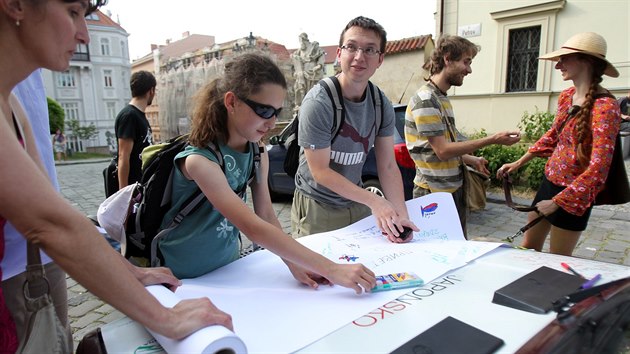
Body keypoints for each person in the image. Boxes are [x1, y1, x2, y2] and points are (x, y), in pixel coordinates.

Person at [0, 1, 232, 351]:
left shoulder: (12, 105)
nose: (83, 35)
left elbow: (54, 209)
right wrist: (166, 318)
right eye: (74, 12)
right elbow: (48, 223)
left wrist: (132, 272)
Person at [158, 53, 376, 294]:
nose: (272, 122)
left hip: (229, 270)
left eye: (277, 112)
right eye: (264, 110)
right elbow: (253, 228)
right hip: (182, 281)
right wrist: (331, 269)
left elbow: (266, 217)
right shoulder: (200, 161)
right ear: (231, 102)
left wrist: (296, 264)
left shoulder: (257, 151)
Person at [291, 16, 418, 241]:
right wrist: (375, 201)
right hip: (317, 206)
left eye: (369, 50)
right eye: (351, 47)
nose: (359, 57)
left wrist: (401, 215)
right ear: (339, 54)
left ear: (380, 59)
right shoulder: (319, 102)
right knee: (320, 275)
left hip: (356, 201)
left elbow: (388, 166)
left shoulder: (381, 104)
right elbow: (319, 172)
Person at [498, 32, 621, 256]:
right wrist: (518, 162)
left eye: (564, 59)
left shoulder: (606, 107)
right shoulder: (566, 96)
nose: (558, 66)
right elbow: (553, 136)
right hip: (549, 182)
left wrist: (557, 203)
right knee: (527, 248)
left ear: (586, 60)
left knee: (558, 262)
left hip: (574, 195)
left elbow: (598, 170)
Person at [404, 35, 521, 237]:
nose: (469, 70)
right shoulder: (426, 99)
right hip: (432, 193)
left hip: (449, 190)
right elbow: (442, 151)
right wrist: (493, 139)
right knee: (437, 253)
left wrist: (471, 159)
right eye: (466, 62)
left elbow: (440, 147)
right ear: (448, 59)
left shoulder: (441, 98)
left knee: (457, 247)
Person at [2, 70, 74, 348]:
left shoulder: (20, 90)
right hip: (12, 265)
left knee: (59, 339)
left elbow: (48, 202)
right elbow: (47, 217)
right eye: (72, 21)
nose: (83, 35)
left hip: (43, 252)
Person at [115, 70, 155, 189]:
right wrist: (124, 194)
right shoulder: (129, 116)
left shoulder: (138, 115)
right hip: (133, 187)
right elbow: (123, 156)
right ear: (151, 90)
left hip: (142, 184)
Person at [291, 33, 325, 111]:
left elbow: (321, 55)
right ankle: (300, 104)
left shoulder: (314, 47)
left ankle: (312, 104)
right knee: (299, 87)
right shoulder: (299, 51)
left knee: (313, 90)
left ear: (304, 40)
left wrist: (319, 65)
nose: (300, 43)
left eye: (301, 41)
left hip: (313, 72)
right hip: (303, 73)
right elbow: (296, 61)